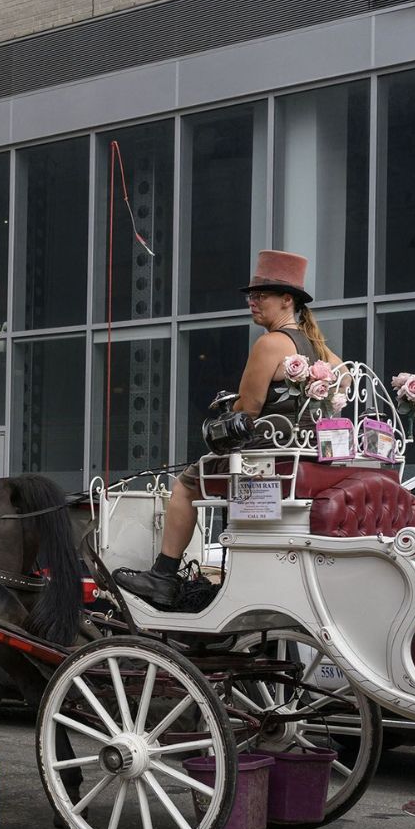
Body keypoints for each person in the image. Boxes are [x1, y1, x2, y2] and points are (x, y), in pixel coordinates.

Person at [113, 250, 343, 610]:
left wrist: (225, 416)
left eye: (260, 296)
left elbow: (247, 412)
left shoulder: (270, 344)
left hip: (267, 461)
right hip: (307, 459)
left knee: (186, 485)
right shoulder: (326, 354)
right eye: (251, 296)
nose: (252, 302)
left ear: (287, 300)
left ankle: (163, 576)